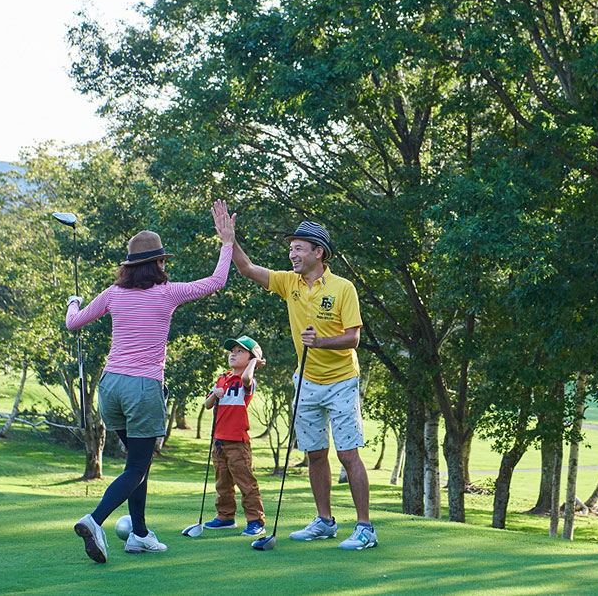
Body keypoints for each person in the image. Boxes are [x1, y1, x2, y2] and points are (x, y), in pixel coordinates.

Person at [66, 200, 236, 563]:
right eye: (162, 261)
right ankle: (94, 520)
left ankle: (140, 534)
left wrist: (72, 302)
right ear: (157, 264)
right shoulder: (167, 292)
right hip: (142, 388)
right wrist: (226, 242)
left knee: (136, 462)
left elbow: (73, 322)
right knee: (138, 467)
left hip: (110, 387)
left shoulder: (114, 294)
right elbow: (217, 281)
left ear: (129, 268)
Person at [217, 204, 376, 551]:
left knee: (348, 455)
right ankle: (325, 521)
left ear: (318, 252)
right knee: (316, 454)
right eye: (291, 248)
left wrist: (321, 342)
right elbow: (246, 268)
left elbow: (353, 337)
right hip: (305, 381)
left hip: (341, 381)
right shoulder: (289, 283)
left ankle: (365, 528)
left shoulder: (342, 287)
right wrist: (230, 242)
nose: (292, 254)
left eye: (298, 248)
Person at [202, 335, 267, 537]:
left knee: (246, 483)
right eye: (232, 350)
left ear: (251, 358)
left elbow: (247, 378)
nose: (233, 354)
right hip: (218, 441)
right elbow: (207, 404)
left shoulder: (248, 381)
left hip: (237, 442)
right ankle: (225, 517)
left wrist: (255, 362)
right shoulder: (222, 377)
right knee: (222, 483)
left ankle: (256, 521)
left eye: (240, 351)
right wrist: (216, 393)